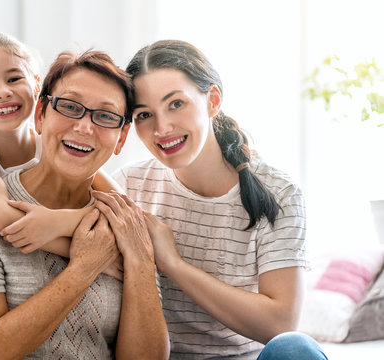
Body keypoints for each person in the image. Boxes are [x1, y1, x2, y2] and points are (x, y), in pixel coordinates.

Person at [95, 39, 327, 359]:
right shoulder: (128, 184)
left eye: (176, 104)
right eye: (145, 114)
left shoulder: (278, 191)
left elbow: (281, 323)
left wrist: (172, 264)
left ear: (212, 100)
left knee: (295, 348)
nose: (162, 128)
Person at [0, 49, 169, 359]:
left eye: (105, 116)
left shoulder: (126, 223)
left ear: (121, 138)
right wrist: (84, 268)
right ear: (40, 115)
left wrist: (139, 259)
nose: (84, 127)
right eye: (71, 107)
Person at [0, 32, 123, 278]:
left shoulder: (53, 141)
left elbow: (121, 205)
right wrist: (87, 255)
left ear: (36, 87)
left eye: (13, 79)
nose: (3, 92)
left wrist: (61, 221)